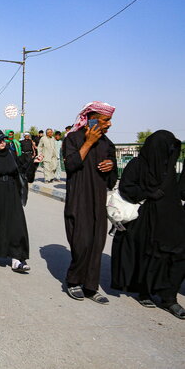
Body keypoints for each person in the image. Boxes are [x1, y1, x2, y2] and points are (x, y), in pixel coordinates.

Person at [111, 130, 185, 319]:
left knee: (176, 256)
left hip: (171, 220)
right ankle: (144, 291)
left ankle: (169, 298)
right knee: (147, 255)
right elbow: (126, 186)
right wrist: (147, 193)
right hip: (146, 220)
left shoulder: (169, 167)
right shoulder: (137, 165)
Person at [63, 101, 116, 304]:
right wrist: (88, 143)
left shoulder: (107, 144)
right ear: (91, 119)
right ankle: (73, 280)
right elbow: (71, 166)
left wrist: (111, 166)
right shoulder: (73, 139)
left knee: (96, 243)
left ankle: (91, 287)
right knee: (81, 241)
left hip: (98, 200)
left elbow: (111, 180)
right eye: (105, 120)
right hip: (78, 198)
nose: (109, 124)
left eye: (110, 120)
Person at [0, 129, 40, 273]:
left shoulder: (11, 154)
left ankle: (17, 259)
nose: (2, 143)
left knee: (16, 223)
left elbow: (21, 170)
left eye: (3, 140)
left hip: (11, 191)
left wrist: (33, 163)